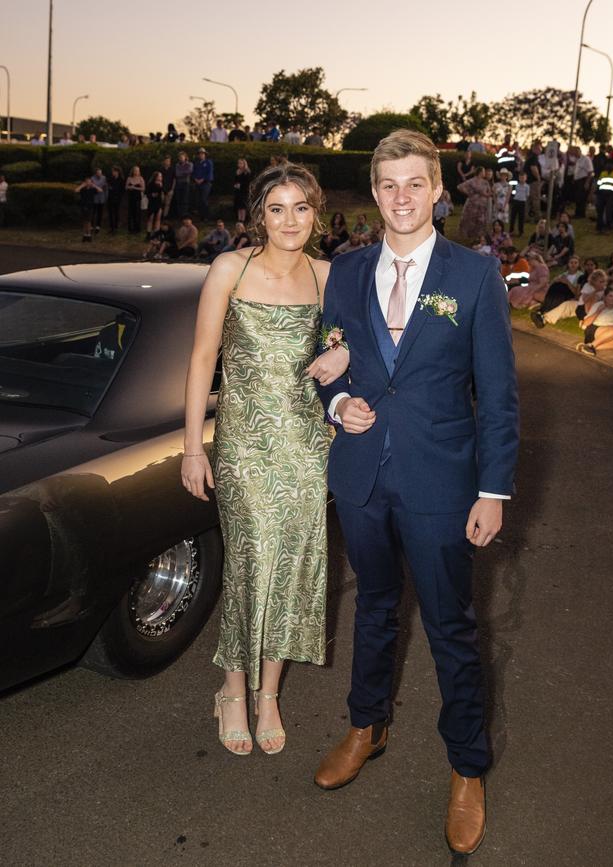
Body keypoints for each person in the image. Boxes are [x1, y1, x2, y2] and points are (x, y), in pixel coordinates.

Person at [312, 129, 518, 857]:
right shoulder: (344, 271)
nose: (402, 197)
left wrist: (492, 489)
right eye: (388, 185)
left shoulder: (474, 276)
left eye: (415, 183)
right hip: (363, 476)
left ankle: (467, 765)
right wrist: (340, 406)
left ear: (438, 190)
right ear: (374, 194)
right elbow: (329, 359)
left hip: (441, 482)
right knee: (372, 606)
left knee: (450, 628)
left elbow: (496, 394)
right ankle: (367, 724)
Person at [181, 162, 348, 757]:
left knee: (297, 564)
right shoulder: (231, 268)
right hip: (245, 448)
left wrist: (344, 352)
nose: (290, 221)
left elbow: (367, 341)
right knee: (252, 561)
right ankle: (232, 689)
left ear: (316, 212)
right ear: (259, 215)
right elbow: (204, 358)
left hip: (308, 448)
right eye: (277, 209)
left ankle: (269, 692)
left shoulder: (330, 276)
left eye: (301, 208)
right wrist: (193, 446)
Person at [577, 286, 613, 356]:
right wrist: (598, 311)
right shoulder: (598, 305)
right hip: (594, 329)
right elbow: (586, 323)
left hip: (610, 330)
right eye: (610, 296)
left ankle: (588, 347)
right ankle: (591, 346)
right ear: (605, 297)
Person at [457, 166, 492, 240]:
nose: (484, 173)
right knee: (470, 219)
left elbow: (489, 192)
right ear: (480, 172)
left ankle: (478, 235)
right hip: (473, 203)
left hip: (482, 204)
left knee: (480, 220)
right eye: (483, 171)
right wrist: (468, 193)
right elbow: (460, 186)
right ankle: (467, 234)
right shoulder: (472, 180)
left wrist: (487, 195)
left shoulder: (485, 182)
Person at [193, 147, 214, 221]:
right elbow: (194, 172)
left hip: (206, 183)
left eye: (202, 154)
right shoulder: (197, 163)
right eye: (199, 154)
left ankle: (206, 216)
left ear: (205, 154)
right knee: (198, 200)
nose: (201, 155)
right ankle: (201, 216)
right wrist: (195, 179)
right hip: (197, 183)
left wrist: (203, 179)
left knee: (204, 199)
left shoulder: (208, 162)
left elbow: (209, 173)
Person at [75, 177, 98, 242]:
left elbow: (100, 190)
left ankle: (89, 235)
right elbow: (76, 190)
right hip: (83, 207)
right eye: (87, 182)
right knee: (84, 221)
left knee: (88, 221)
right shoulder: (83, 189)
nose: (88, 183)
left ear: (91, 182)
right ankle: (85, 235)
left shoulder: (92, 189)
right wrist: (82, 185)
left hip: (90, 207)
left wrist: (94, 185)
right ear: (85, 182)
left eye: (89, 182)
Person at [524, 143, 542, 222]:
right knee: (535, 199)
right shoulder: (534, 158)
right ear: (535, 149)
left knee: (527, 200)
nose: (540, 151)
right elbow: (533, 168)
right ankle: (537, 217)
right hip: (533, 181)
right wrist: (538, 178)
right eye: (539, 149)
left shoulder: (529, 157)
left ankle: (526, 217)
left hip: (527, 181)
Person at [125, 166, 145, 234]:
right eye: (135, 170)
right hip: (131, 198)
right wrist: (130, 187)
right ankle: (131, 228)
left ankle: (137, 228)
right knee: (131, 213)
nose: (136, 172)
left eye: (138, 170)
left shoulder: (141, 178)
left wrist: (134, 188)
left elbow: (143, 188)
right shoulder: (129, 178)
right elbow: (126, 187)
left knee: (137, 213)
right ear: (133, 171)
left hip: (137, 198)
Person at [509, 171, 530, 237]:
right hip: (516, 201)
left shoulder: (527, 186)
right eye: (520, 177)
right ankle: (511, 231)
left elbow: (527, 195)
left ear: (526, 178)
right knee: (513, 217)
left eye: (523, 177)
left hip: (522, 202)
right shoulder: (517, 185)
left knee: (521, 218)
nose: (522, 179)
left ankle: (521, 232)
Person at [106, 166, 125, 234]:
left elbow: (122, 190)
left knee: (116, 213)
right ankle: (111, 227)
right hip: (110, 198)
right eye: (112, 171)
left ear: (117, 172)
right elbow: (108, 185)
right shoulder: (110, 179)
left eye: (113, 171)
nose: (112, 172)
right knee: (110, 213)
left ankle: (115, 227)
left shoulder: (121, 179)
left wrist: (119, 196)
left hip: (117, 198)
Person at [145, 171, 164, 238]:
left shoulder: (161, 184)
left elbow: (162, 193)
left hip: (159, 203)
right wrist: (152, 195)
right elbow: (146, 193)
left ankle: (157, 233)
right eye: (159, 176)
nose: (161, 177)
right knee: (151, 218)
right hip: (152, 203)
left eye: (161, 176)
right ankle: (148, 234)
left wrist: (161, 187)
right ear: (156, 176)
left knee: (158, 219)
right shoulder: (151, 184)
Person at [174, 151, 193, 218]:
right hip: (179, 183)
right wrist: (184, 173)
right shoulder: (177, 165)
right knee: (179, 199)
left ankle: (184, 214)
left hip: (186, 183)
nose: (181, 158)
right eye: (180, 157)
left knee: (185, 199)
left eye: (182, 157)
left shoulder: (189, 164)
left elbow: (189, 171)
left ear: (185, 157)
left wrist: (182, 173)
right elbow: (177, 174)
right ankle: (179, 214)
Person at [233, 158, 251, 223]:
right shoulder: (237, 171)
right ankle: (239, 218)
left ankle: (243, 219)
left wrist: (241, 185)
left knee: (242, 206)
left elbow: (247, 182)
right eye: (238, 163)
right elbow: (235, 180)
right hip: (238, 191)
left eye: (241, 163)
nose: (239, 165)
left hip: (244, 191)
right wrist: (236, 184)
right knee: (238, 205)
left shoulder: (247, 172)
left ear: (244, 164)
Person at [91, 168, 107, 234]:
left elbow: (105, 187)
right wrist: (96, 188)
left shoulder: (104, 178)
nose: (99, 174)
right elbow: (91, 185)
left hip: (102, 198)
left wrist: (106, 196)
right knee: (93, 212)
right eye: (98, 173)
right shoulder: (92, 178)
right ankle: (91, 226)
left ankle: (98, 226)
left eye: (100, 173)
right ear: (96, 173)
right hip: (94, 198)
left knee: (100, 213)